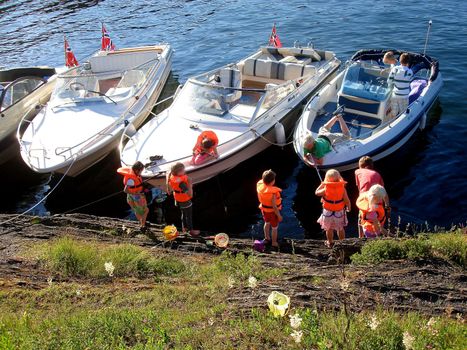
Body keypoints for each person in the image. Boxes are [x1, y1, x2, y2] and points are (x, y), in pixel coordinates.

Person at [355, 156, 390, 237]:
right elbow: (383, 192)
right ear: (371, 166)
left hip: (364, 199)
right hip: (377, 201)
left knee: (361, 218)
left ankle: (360, 238)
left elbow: (359, 188)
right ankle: (380, 234)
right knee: (379, 219)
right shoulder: (377, 174)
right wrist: (387, 207)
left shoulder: (357, 172)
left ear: (360, 166)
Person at [315, 169, 351, 248]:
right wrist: (349, 207)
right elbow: (347, 201)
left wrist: (323, 184)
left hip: (328, 212)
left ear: (327, 179)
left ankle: (330, 242)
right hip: (339, 212)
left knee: (329, 228)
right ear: (339, 178)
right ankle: (342, 242)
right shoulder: (342, 189)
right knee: (340, 228)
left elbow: (316, 192)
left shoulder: (325, 189)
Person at [167, 162, 199, 236]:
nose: (184, 171)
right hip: (184, 200)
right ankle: (191, 231)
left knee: (183, 213)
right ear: (178, 172)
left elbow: (167, 174)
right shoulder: (181, 183)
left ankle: (184, 228)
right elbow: (190, 194)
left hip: (178, 199)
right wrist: (190, 184)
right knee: (188, 215)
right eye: (183, 170)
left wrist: (168, 188)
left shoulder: (171, 175)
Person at [117, 161, 149, 231]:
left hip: (131, 197)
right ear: (137, 170)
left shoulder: (132, 174)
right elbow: (125, 190)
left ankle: (142, 223)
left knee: (137, 211)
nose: (141, 173)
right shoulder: (131, 180)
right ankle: (142, 225)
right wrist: (137, 194)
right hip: (137, 197)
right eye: (141, 171)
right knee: (146, 210)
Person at [257, 169, 282, 249]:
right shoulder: (273, 193)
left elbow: (265, 178)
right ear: (272, 181)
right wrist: (279, 216)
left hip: (264, 211)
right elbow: (274, 207)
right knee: (274, 228)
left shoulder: (260, 186)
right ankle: (274, 242)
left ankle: (267, 238)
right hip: (272, 213)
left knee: (266, 223)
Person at [387, 53, 413, 119]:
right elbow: (408, 82)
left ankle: (392, 123)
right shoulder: (410, 72)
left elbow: (389, 81)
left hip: (395, 95)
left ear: (400, 60)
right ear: (408, 62)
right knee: (403, 112)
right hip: (404, 96)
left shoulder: (395, 69)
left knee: (394, 112)